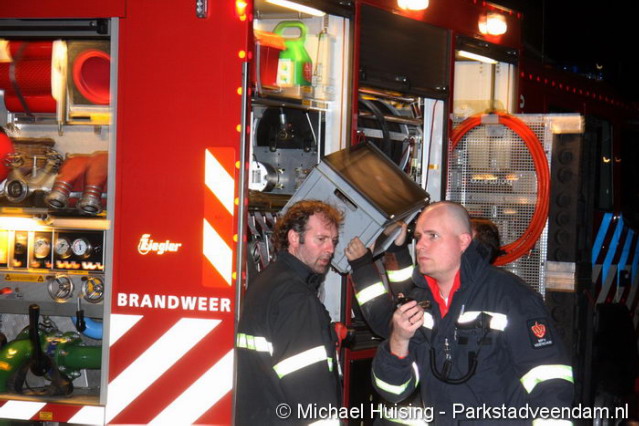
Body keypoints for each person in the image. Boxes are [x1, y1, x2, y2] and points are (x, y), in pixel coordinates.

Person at [369, 201, 574, 424]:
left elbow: (549, 380)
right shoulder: (419, 303)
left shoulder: (509, 296)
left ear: (463, 241)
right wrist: (399, 340)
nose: (420, 246)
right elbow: (393, 391)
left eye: (433, 236)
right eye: (418, 237)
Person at [235, 200, 343, 425]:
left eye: (333, 241)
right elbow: (310, 390)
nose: (330, 249)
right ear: (294, 238)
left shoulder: (267, 281)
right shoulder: (296, 297)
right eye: (321, 239)